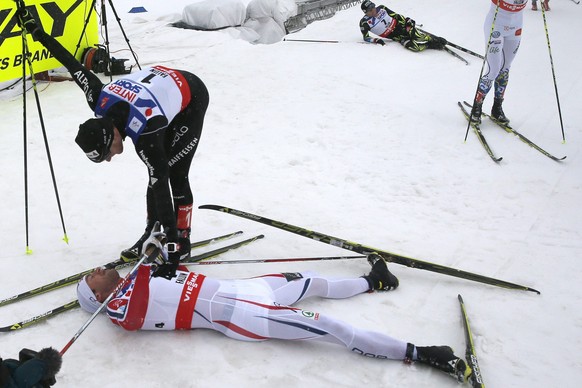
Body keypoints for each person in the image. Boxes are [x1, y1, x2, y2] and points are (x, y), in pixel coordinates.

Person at [75, 230, 471, 383]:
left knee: (309, 281)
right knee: (331, 327)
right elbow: (134, 313)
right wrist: (150, 262)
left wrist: (162, 252)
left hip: (247, 289)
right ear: (97, 297)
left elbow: (165, 265)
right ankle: (423, 354)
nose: (97, 269)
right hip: (244, 317)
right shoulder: (120, 309)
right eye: (91, 277)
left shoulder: (134, 279)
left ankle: (374, 282)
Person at [17, 8, 209, 279]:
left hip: (190, 95)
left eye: (106, 155)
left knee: (171, 173)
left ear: (112, 137)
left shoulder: (145, 132)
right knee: (155, 171)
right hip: (159, 88)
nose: (109, 159)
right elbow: (72, 63)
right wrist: (38, 34)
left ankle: (182, 239)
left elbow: (161, 181)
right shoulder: (98, 98)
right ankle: (151, 233)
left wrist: (173, 252)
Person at [469, 0, 527, 126]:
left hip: (516, 27)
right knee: (493, 69)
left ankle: (497, 108)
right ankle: (477, 107)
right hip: (496, 25)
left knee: (505, 68)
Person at [359, 1, 447, 51]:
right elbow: (366, 38)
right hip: (397, 37)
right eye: (370, 10)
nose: (373, 10)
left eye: (373, 7)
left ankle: (434, 39)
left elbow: (396, 15)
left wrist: (406, 20)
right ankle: (429, 45)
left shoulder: (382, 8)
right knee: (414, 48)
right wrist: (376, 40)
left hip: (401, 27)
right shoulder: (364, 23)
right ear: (365, 12)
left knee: (416, 35)